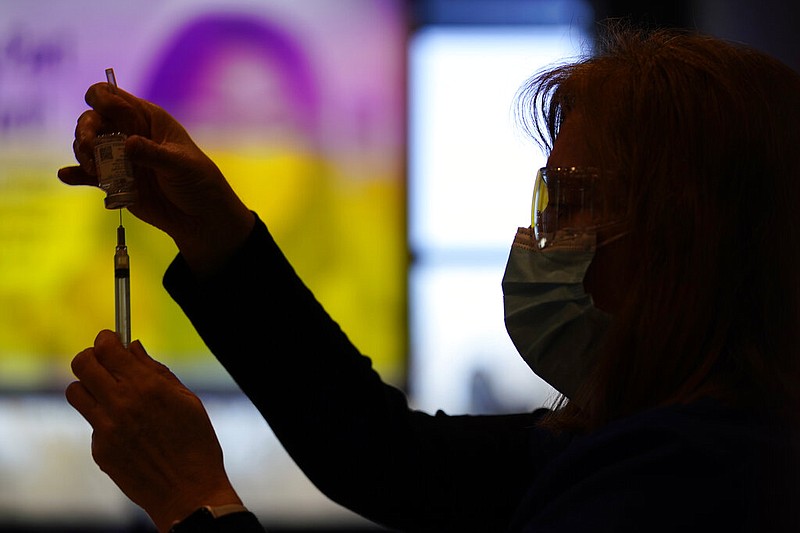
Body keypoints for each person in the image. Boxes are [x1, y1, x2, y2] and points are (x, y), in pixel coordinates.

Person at [59, 24, 800, 532]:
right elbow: (389, 457)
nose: (541, 241)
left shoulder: (691, 485)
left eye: (571, 203)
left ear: (684, 240)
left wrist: (197, 503)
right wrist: (213, 226)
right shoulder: (648, 438)